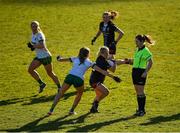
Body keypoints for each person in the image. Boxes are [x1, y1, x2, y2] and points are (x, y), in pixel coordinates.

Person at [48, 47, 120, 115]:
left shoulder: (75, 58)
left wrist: (59, 58)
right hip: (79, 79)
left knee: (60, 93)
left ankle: (51, 110)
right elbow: (103, 72)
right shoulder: (89, 62)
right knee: (79, 94)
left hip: (69, 77)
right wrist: (113, 77)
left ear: (79, 53)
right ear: (88, 54)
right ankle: (71, 110)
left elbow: (61, 60)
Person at [122, 34, 154, 116]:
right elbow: (136, 61)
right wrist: (129, 60)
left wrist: (145, 72)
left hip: (141, 72)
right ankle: (139, 109)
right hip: (135, 71)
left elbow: (150, 62)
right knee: (137, 91)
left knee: (140, 91)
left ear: (142, 42)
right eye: (135, 41)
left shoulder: (146, 51)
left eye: (137, 41)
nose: (135, 43)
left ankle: (142, 110)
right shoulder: (137, 50)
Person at [27, 21, 61, 93]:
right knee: (30, 70)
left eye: (36, 26)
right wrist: (32, 47)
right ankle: (42, 84)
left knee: (50, 73)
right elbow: (36, 45)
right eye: (33, 26)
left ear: (38, 27)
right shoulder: (32, 35)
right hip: (39, 57)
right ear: (31, 27)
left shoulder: (40, 35)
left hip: (45, 56)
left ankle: (59, 87)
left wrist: (33, 46)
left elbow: (42, 45)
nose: (34, 28)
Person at [89, 46, 121, 113]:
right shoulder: (103, 61)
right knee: (106, 92)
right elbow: (113, 70)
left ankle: (93, 108)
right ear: (104, 53)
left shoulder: (100, 59)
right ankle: (95, 103)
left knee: (99, 95)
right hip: (95, 81)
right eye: (107, 53)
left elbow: (106, 72)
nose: (108, 54)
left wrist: (113, 77)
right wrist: (114, 62)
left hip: (94, 80)